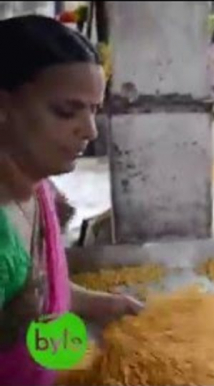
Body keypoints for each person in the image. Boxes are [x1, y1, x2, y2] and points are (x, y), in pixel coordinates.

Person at [0, 15, 143, 386]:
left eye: (93, 110)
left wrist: (105, 305)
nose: (90, 131)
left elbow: (37, 293)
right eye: (67, 111)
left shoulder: (38, 187)